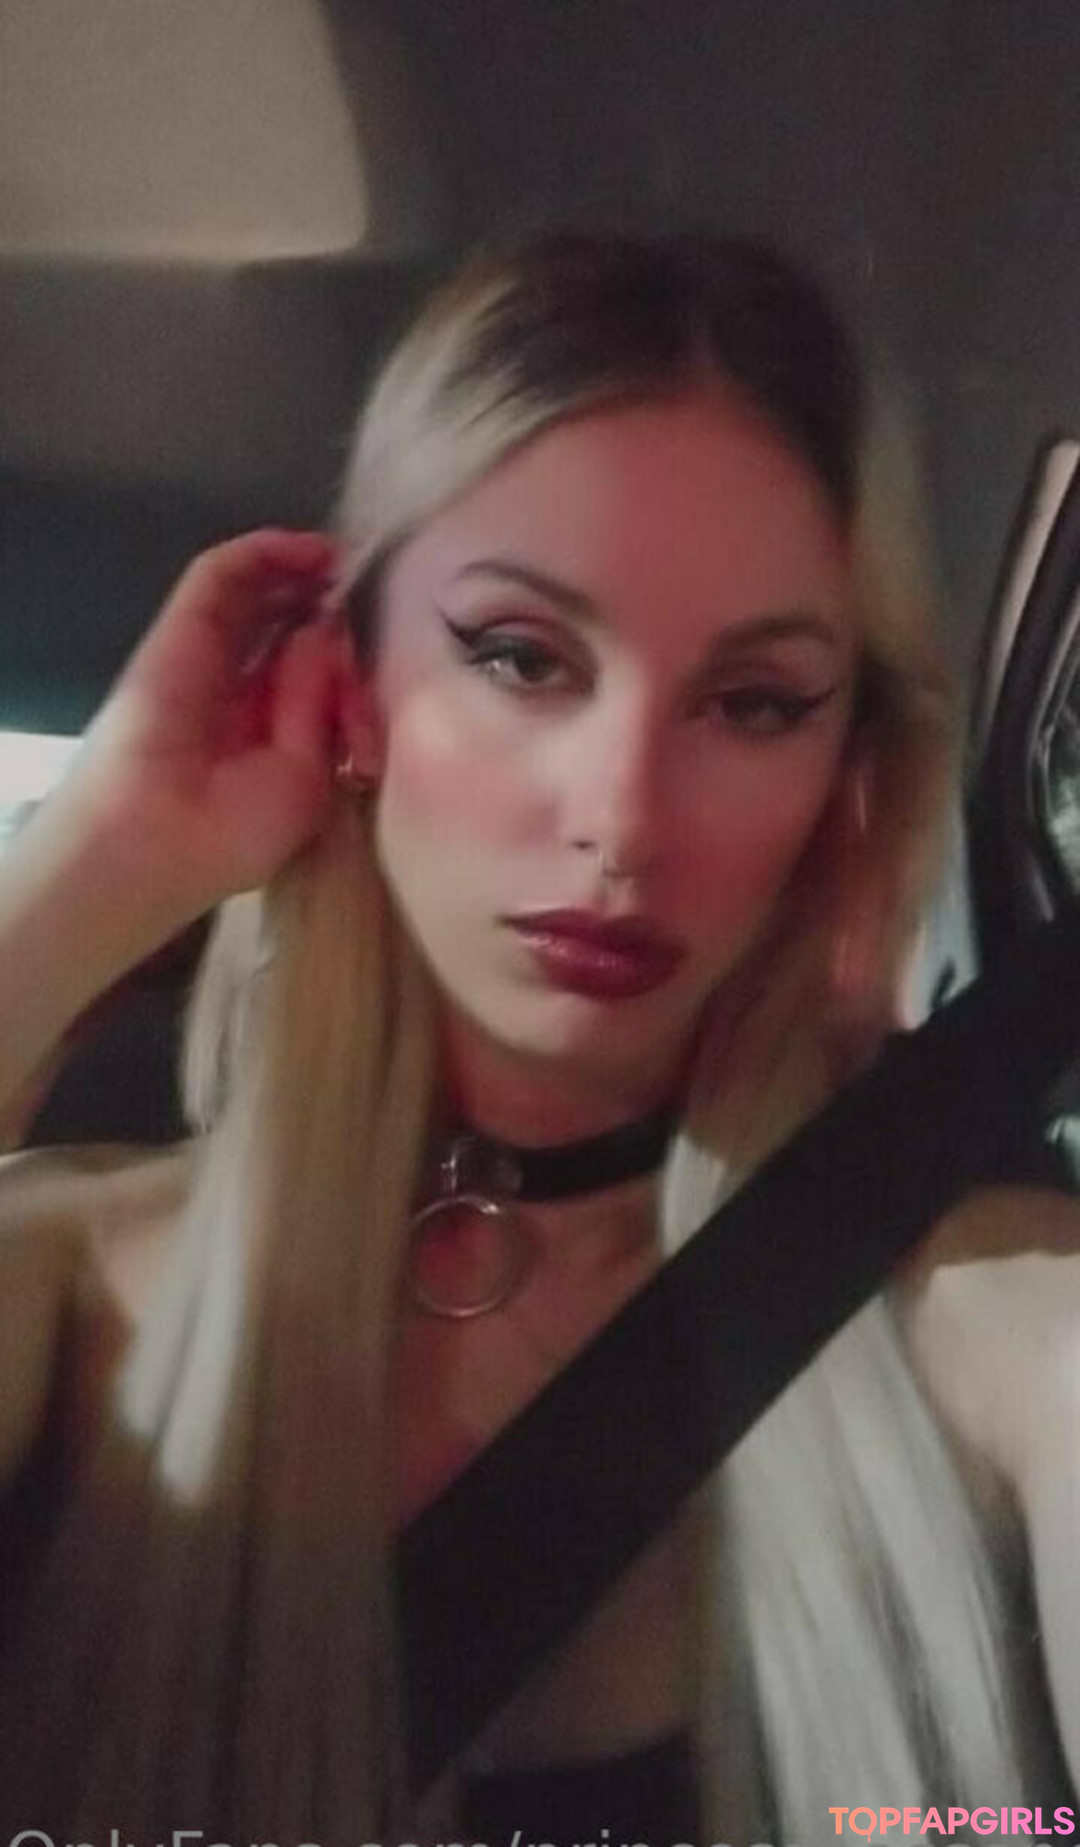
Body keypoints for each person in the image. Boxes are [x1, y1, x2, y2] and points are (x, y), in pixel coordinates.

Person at [0, 230, 1074, 1845]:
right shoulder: (57, 1278)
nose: (622, 819)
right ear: (352, 688)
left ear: (844, 773)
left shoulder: (994, 1315)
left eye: (755, 702)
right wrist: (96, 869)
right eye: (518, 656)